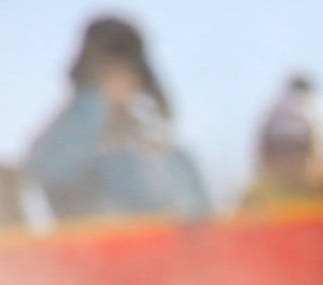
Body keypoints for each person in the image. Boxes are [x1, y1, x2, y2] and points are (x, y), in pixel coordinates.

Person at [24, 15, 212, 223]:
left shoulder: (158, 143)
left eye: (127, 70)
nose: (119, 80)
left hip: (167, 252)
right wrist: (93, 104)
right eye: (106, 71)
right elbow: (45, 173)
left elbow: (201, 216)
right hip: (96, 251)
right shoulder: (66, 138)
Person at [242, 75, 323, 209]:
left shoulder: (275, 105)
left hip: (279, 154)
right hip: (299, 152)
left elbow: (262, 135)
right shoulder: (311, 105)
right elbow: (318, 138)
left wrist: (262, 165)